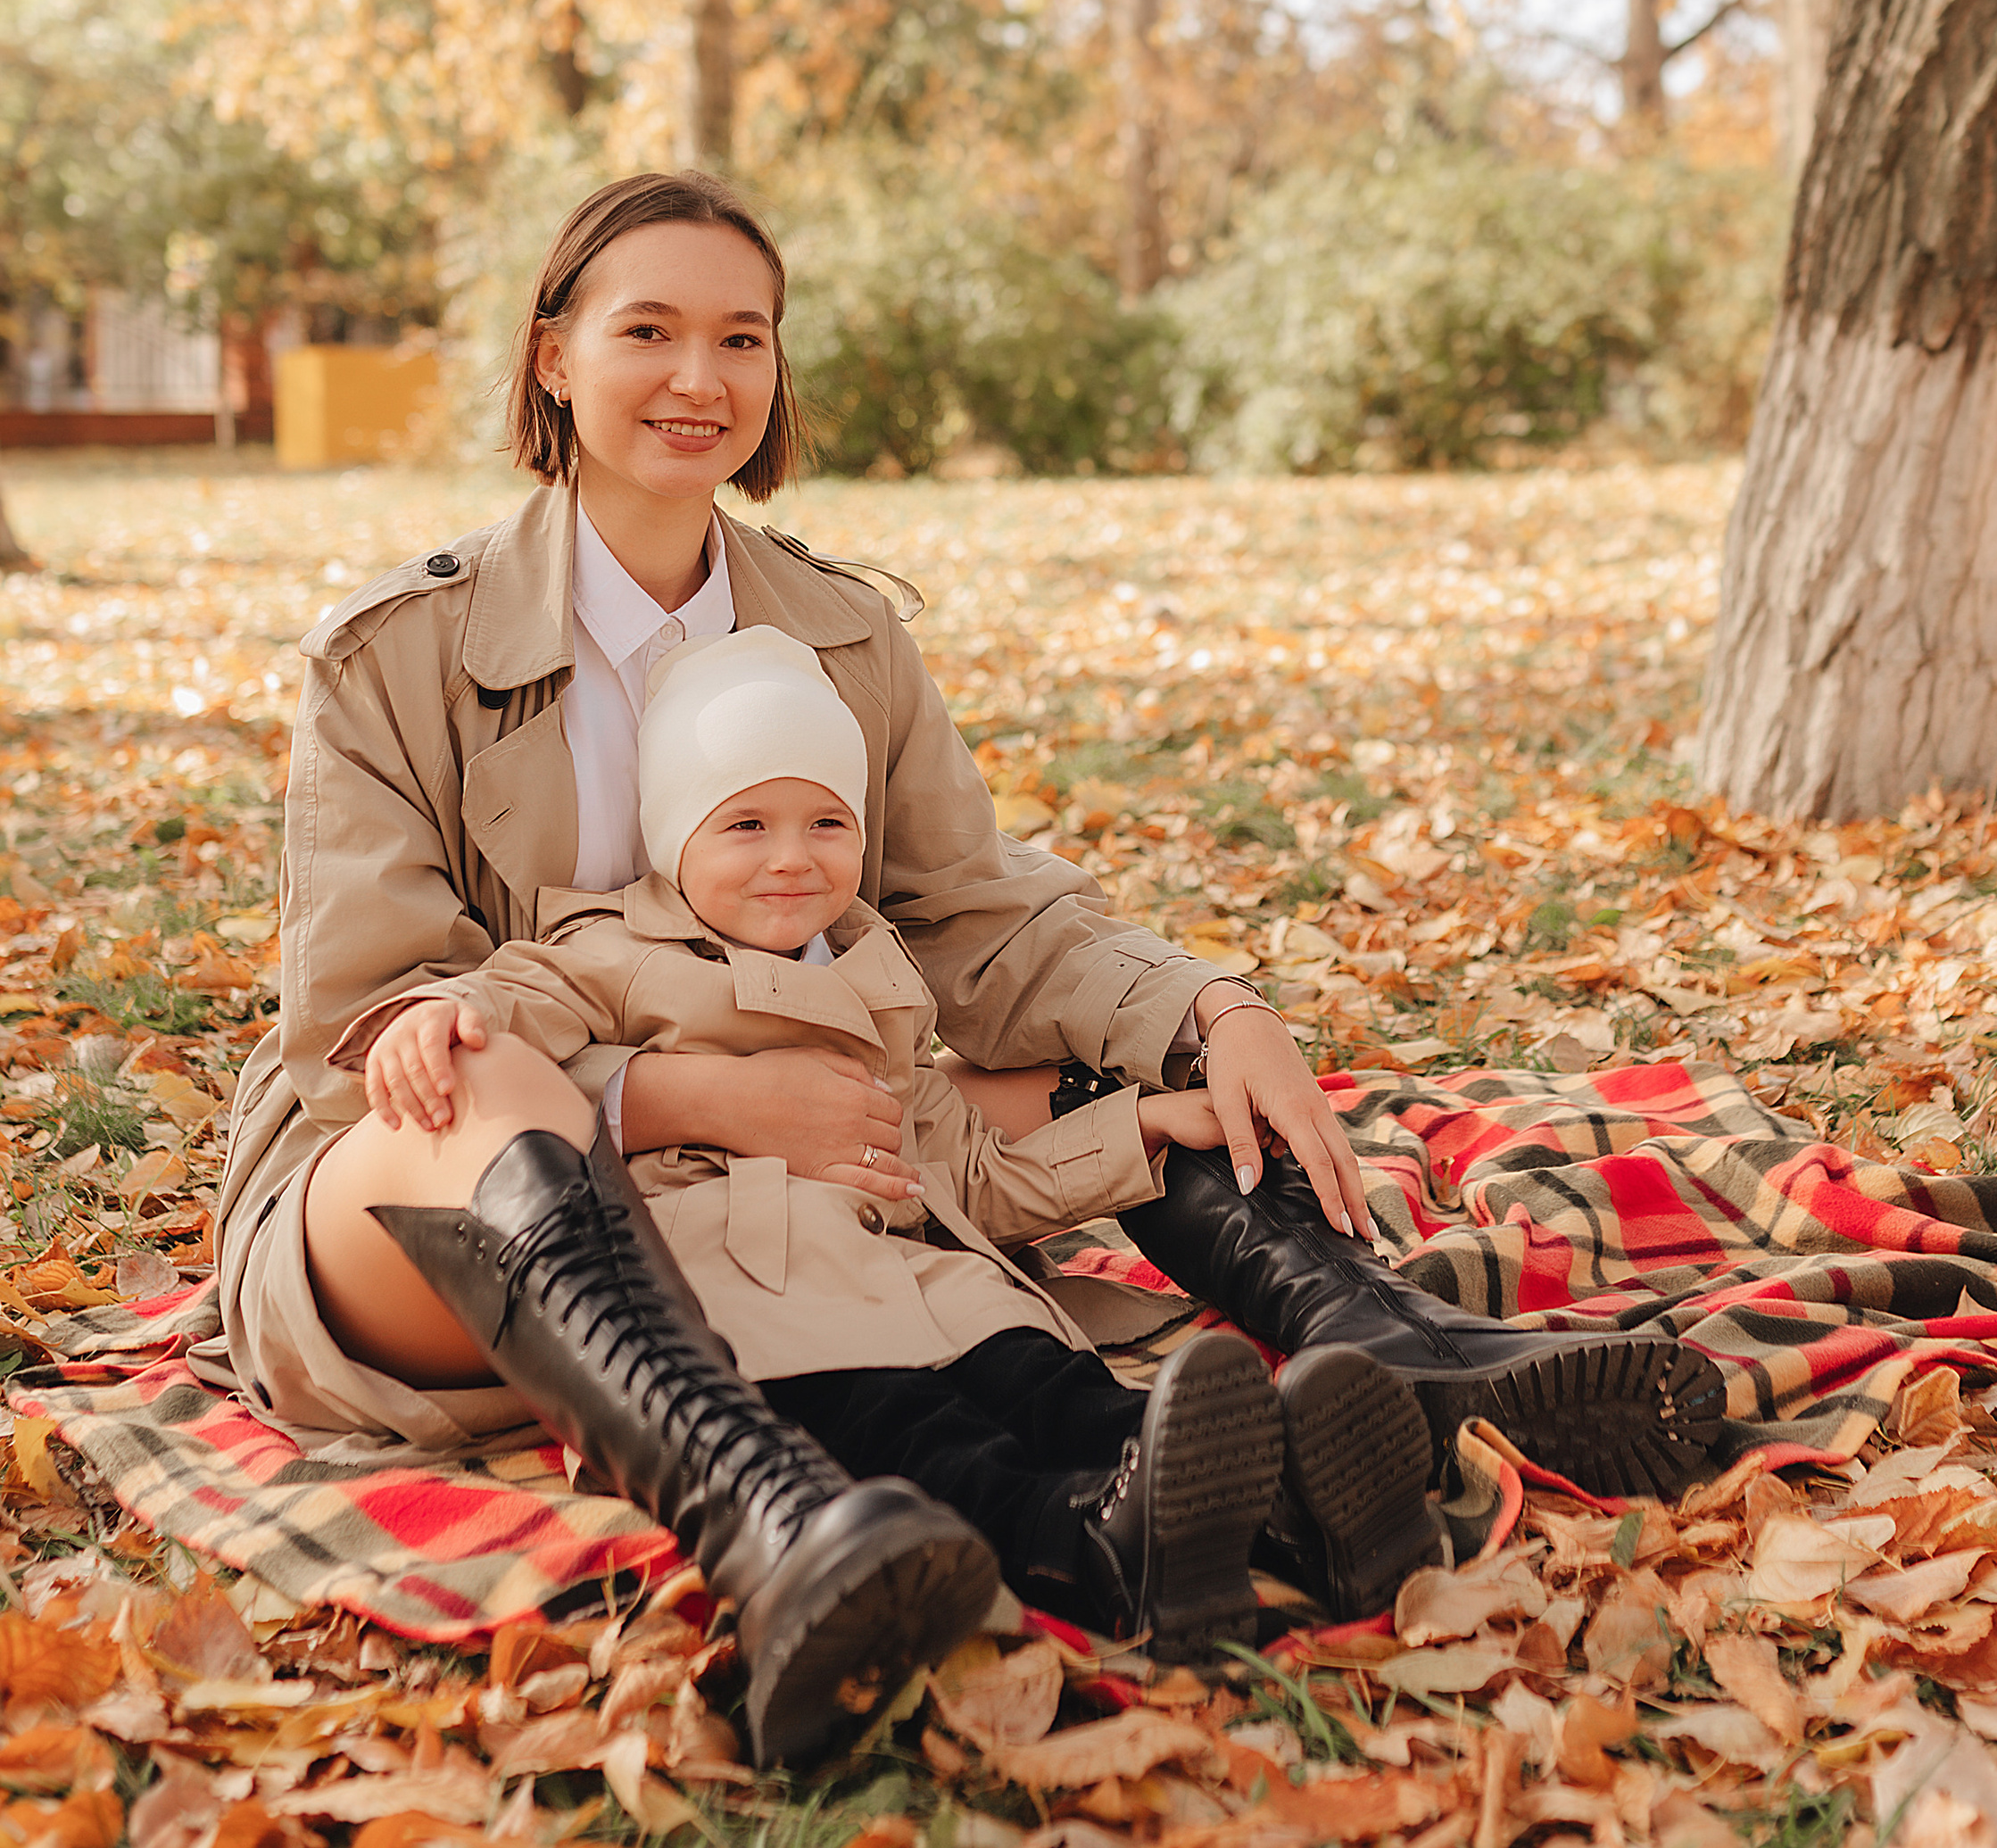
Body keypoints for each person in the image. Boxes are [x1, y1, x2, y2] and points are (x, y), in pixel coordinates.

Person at [211, 171, 1718, 1748]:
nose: (699, 379)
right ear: (552, 357)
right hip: (442, 1200)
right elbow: (371, 1024)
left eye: (745, 337)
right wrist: (676, 1093)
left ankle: (1386, 1357)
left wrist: (1211, 1011)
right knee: (484, 1064)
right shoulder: (394, 654)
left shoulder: (839, 633)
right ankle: (769, 1518)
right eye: (646, 330)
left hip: (782, 1190)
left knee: (1087, 1069)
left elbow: (976, 921)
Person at [341, 621, 1446, 1749]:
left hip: (926, 1269)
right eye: (745, 825)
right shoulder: (612, 950)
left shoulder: (874, 969)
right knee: (928, 1437)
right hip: (764, 1292)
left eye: (828, 823)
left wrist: (1137, 1131)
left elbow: (965, 1167)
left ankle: (1288, 1505)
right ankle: (1089, 1545)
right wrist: (435, 1015)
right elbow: (508, 1011)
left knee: (1061, 1391)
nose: (792, 856)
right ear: (675, 841)